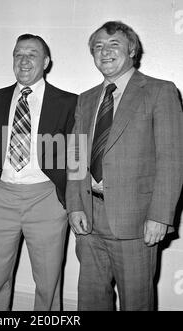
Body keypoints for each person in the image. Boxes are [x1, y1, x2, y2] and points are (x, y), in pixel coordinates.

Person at [66, 21, 183, 311]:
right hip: (89, 220)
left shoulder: (160, 91)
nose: (105, 52)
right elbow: (76, 156)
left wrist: (160, 216)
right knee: (91, 302)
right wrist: (75, 205)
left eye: (113, 45)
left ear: (132, 49)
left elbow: (172, 159)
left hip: (137, 223)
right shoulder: (86, 99)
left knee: (137, 304)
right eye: (98, 47)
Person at [0, 34, 77, 311]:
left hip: (46, 200)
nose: (24, 60)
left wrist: (73, 202)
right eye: (18, 54)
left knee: (48, 282)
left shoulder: (69, 102)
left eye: (32, 54)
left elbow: (77, 157)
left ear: (45, 62)